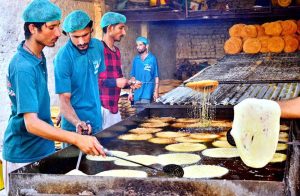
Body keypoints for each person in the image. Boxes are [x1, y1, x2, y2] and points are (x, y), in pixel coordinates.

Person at [3, 0, 105, 192]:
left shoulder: (37, 57)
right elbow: (31, 123)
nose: (58, 33)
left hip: (43, 149)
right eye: (52, 27)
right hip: (24, 154)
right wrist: (76, 139)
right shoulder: (23, 67)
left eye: (58, 26)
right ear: (33, 28)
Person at [54, 10, 105, 145]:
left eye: (85, 35)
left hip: (96, 120)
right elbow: (64, 98)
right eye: (75, 37)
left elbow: (95, 80)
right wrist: (76, 121)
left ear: (92, 30)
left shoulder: (98, 47)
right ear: (68, 34)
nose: (81, 41)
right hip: (74, 130)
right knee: (75, 166)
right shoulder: (63, 57)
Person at [98, 12, 141, 129]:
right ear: (110, 28)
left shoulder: (116, 51)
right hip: (101, 109)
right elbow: (92, 81)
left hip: (114, 108)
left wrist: (129, 83)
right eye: (121, 28)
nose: (124, 32)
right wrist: (116, 82)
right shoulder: (98, 50)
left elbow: (119, 78)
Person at [128, 36, 159, 110]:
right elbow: (133, 77)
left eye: (140, 45)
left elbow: (156, 76)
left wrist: (156, 91)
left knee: (143, 113)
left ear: (147, 46)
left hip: (147, 93)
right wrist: (130, 92)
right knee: (138, 115)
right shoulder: (136, 59)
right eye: (137, 45)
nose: (138, 47)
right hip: (137, 93)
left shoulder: (152, 59)